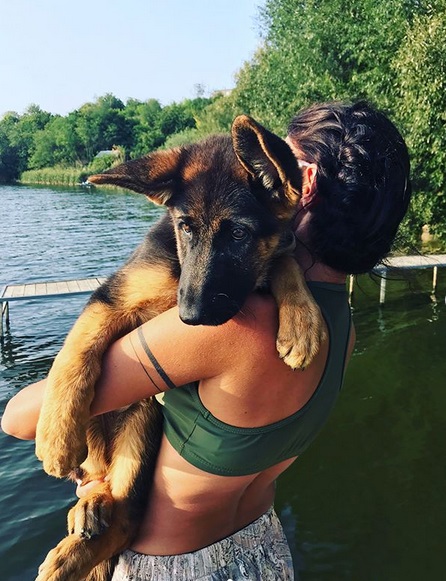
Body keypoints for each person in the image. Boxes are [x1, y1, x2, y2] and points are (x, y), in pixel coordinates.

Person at [1, 101, 411, 580]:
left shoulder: (229, 331)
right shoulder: (339, 328)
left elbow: (20, 418)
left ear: (306, 183)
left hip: (175, 567)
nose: (253, 169)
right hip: (265, 555)